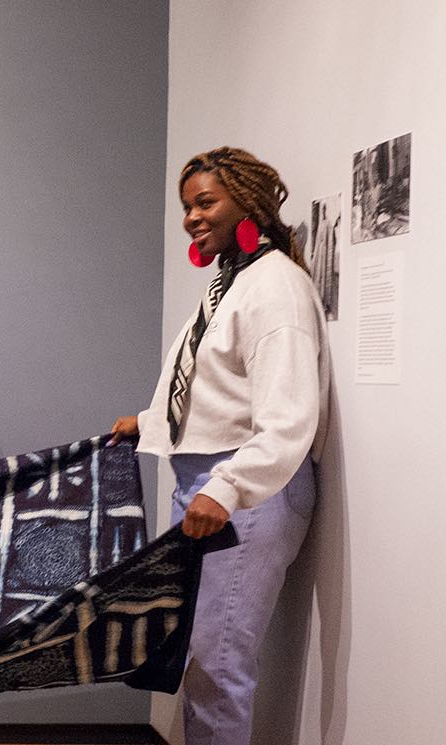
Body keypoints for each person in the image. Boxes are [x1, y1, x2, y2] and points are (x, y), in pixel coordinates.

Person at [110, 147, 330, 744]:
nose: (192, 218)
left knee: (219, 665)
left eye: (206, 202)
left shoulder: (274, 287)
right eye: (187, 207)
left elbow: (289, 417)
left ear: (248, 203)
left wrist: (228, 488)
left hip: (251, 492)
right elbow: (213, 377)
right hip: (211, 485)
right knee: (200, 660)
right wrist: (150, 421)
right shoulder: (232, 282)